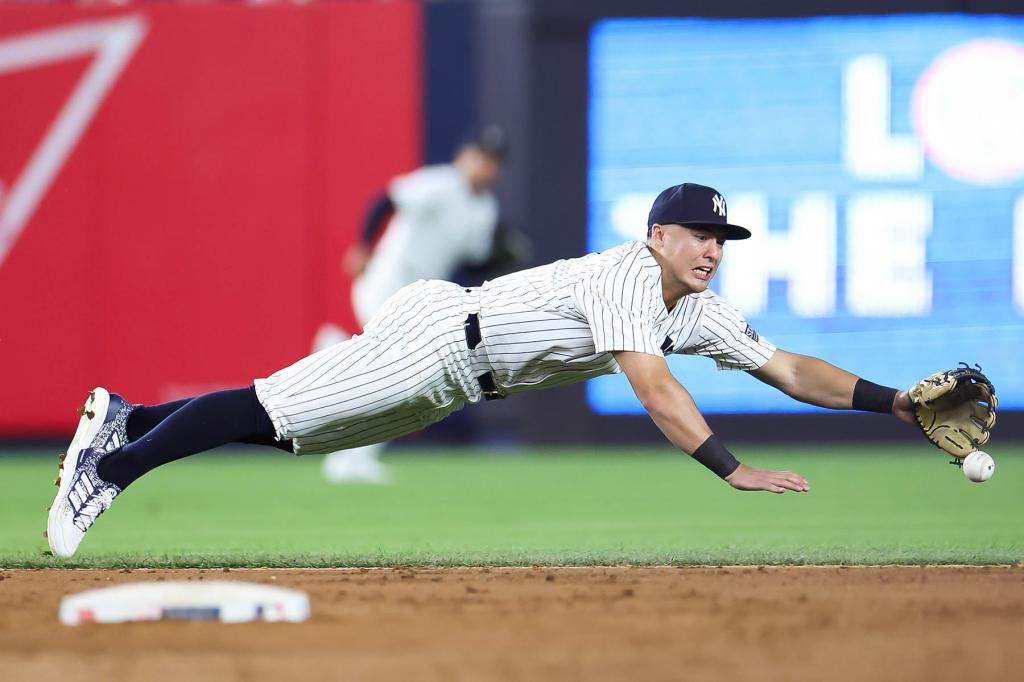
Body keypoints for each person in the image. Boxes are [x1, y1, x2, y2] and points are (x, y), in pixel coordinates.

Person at [46, 182, 917, 559]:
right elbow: (652, 387)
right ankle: (110, 467)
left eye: (721, 240)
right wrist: (735, 470)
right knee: (277, 410)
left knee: (285, 429)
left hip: (455, 370)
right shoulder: (626, 276)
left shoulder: (698, 305)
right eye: (699, 236)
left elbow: (793, 370)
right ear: (659, 235)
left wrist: (900, 404)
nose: (711, 251)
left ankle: (123, 420)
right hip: (438, 340)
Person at [313, 125, 518, 483]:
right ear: (465, 155)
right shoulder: (440, 182)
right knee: (399, 369)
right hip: (388, 278)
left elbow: (471, 262)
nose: (486, 166)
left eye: (494, 161)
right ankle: (349, 455)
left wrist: (505, 258)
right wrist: (363, 245)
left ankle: (335, 354)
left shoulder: (484, 208)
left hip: (418, 294)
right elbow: (386, 200)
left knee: (400, 375)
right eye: (482, 157)